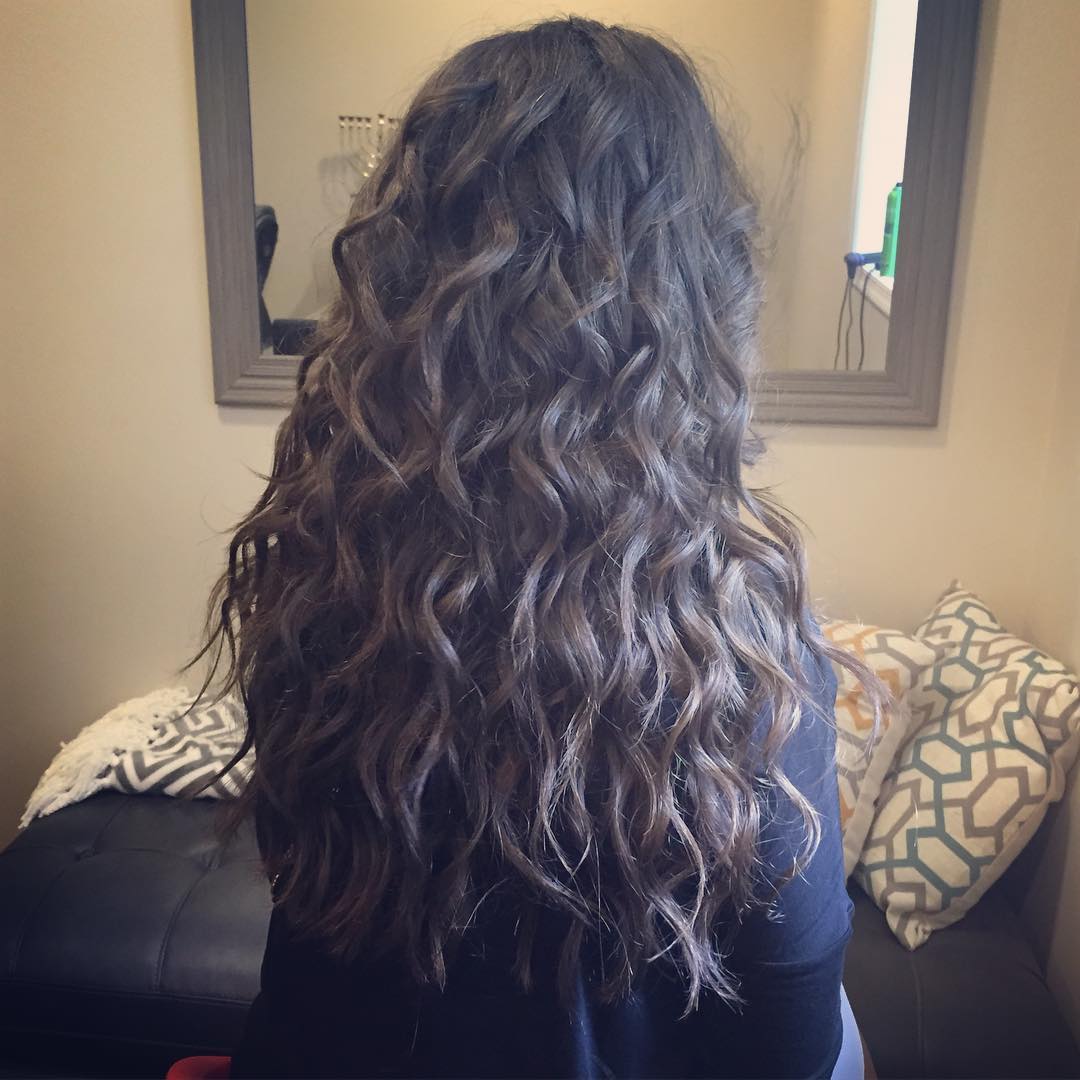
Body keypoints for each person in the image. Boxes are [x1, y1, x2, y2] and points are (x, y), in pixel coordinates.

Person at [191, 16, 880, 1078]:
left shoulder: (323, 576)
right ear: (698, 304)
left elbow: (311, 940)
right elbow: (788, 1044)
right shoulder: (743, 654)